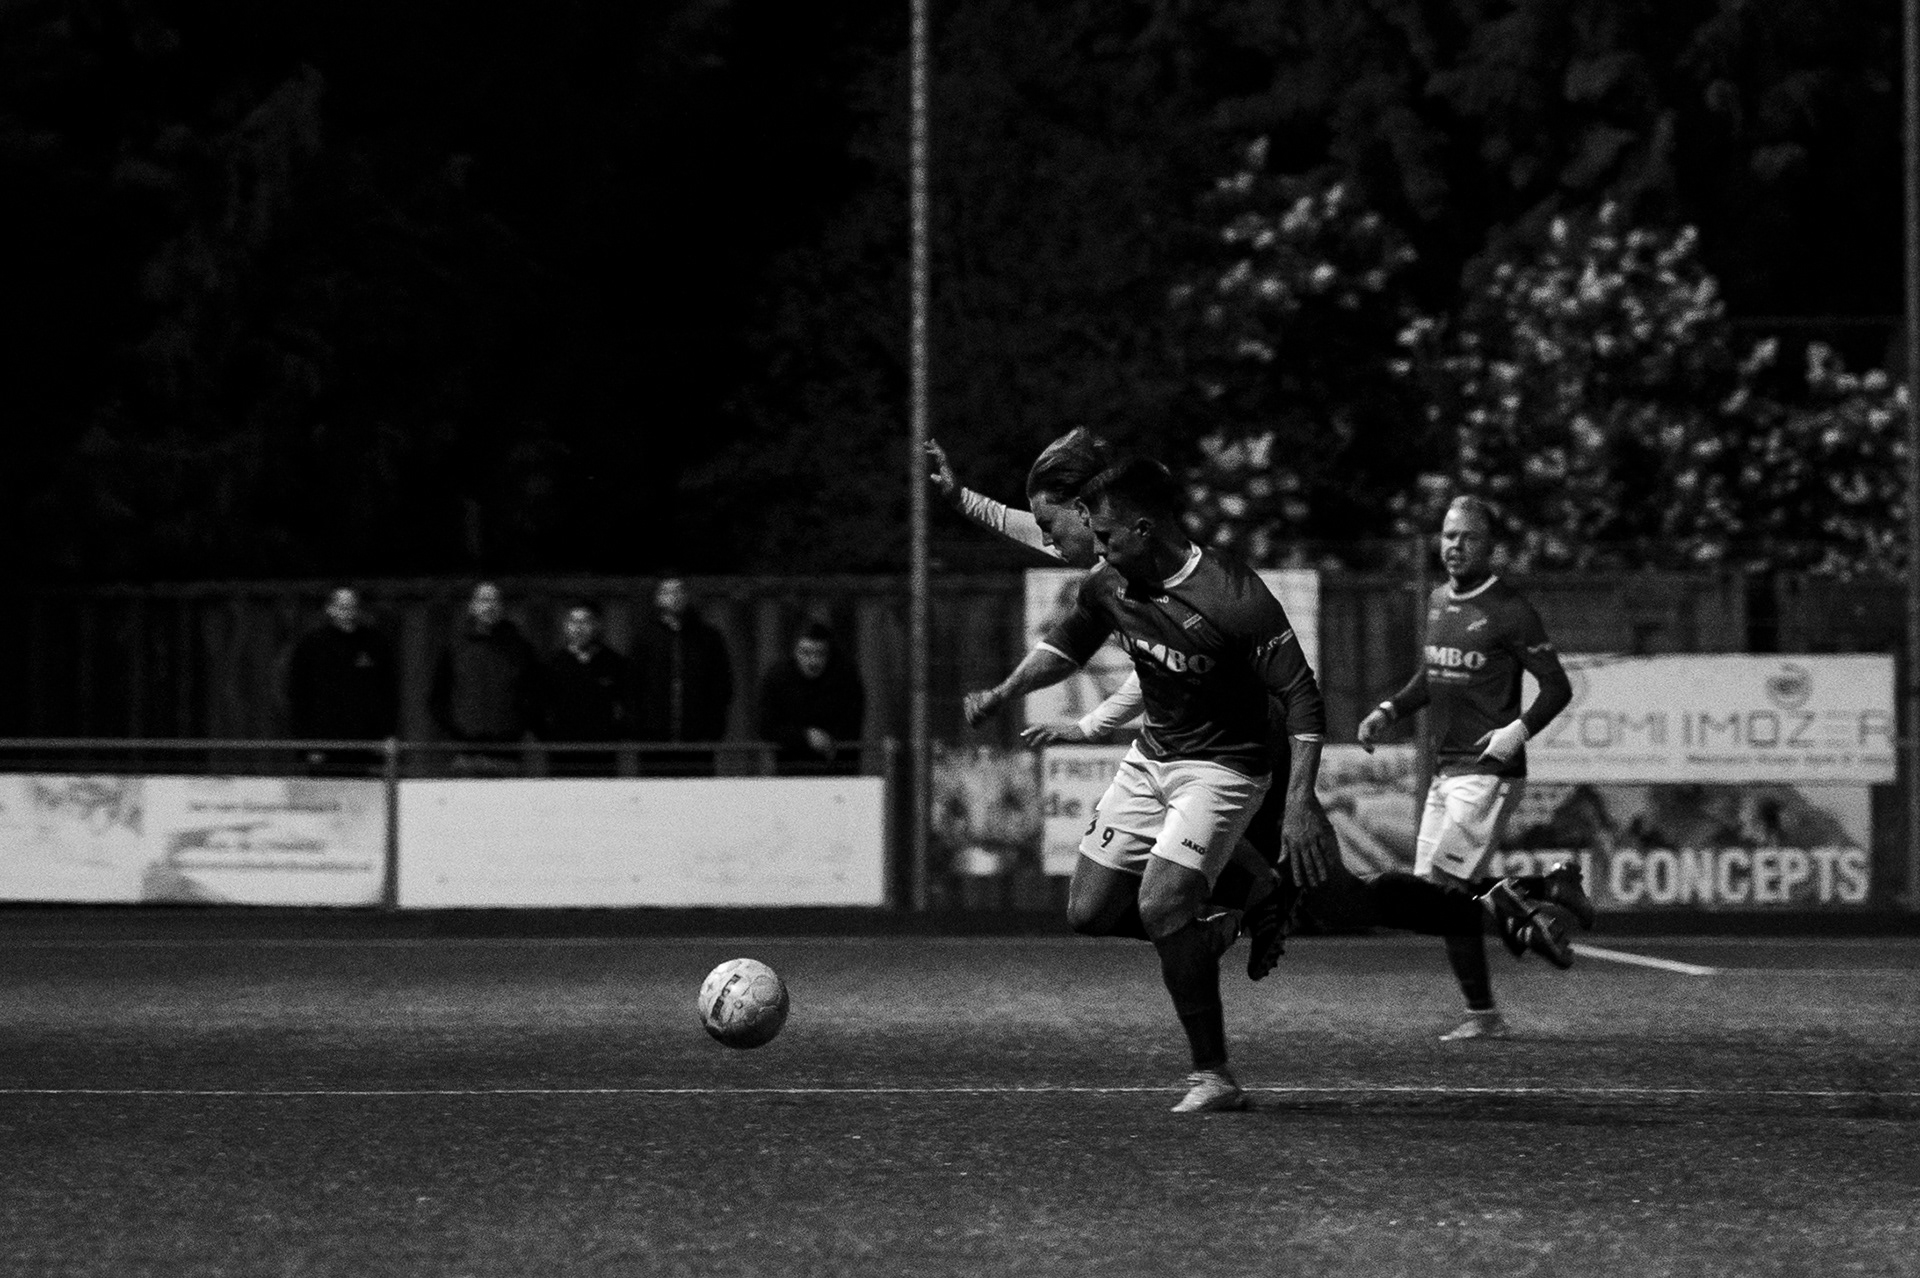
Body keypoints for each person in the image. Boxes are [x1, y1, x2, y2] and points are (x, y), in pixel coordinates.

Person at [963, 457, 1343, 1113]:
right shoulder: (1111, 581)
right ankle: (1230, 916)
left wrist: (1300, 800)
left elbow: (1302, 698)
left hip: (1224, 766)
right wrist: (1006, 692)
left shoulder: (1233, 596)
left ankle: (1214, 1076)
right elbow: (1065, 648)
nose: (1098, 548)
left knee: (1162, 905)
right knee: (1089, 913)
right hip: (1153, 755)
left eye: (1106, 536)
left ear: (1144, 529)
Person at [1358, 495, 1591, 1041]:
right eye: (1448, 535)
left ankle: (1526, 925)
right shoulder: (1438, 599)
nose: (1455, 546)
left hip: (1488, 770)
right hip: (1447, 769)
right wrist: (1389, 710)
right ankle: (1541, 904)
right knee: (1433, 898)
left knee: (1445, 887)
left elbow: (1557, 687)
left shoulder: (1510, 609)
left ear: (1490, 548)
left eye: (1468, 537)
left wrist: (1516, 732)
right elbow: (1431, 674)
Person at [283, 586, 396, 775]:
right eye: (342, 606)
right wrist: (307, 745)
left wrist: (386, 735)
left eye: (352, 606)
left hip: (366, 745)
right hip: (325, 745)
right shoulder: (311, 645)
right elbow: (299, 696)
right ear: (329, 609)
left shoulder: (375, 644)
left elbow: (387, 693)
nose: (347, 611)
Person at [428, 581, 539, 774]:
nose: (489, 606)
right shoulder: (455, 647)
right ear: (471, 606)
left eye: (494, 600)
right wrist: (457, 730)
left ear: (502, 607)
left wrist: (515, 728)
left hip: (507, 754)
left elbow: (533, 694)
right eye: (483, 600)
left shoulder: (520, 648)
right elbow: (438, 697)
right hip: (465, 755)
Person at [631, 575, 735, 776]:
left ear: (687, 596)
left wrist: (713, 731)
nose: (674, 596)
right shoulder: (645, 638)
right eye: (667, 592)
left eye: (679, 591)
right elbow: (633, 686)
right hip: (653, 742)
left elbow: (722, 686)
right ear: (658, 598)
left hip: (699, 741)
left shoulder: (708, 638)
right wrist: (639, 730)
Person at [757, 622, 867, 776]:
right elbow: (765, 726)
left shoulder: (846, 678)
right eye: (805, 652)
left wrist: (828, 741)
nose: (813, 661)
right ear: (795, 652)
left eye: (819, 653)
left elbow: (853, 724)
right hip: (790, 771)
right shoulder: (777, 678)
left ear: (829, 654)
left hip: (838, 771)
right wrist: (805, 737)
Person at [537, 600, 631, 777]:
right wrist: (551, 738)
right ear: (565, 626)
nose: (578, 627)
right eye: (573, 621)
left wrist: (615, 735)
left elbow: (628, 704)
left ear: (597, 625)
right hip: (562, 756)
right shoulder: (552, 664)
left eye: (585, 621)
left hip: (603, 756)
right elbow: (539, 708)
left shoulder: (614, 663)